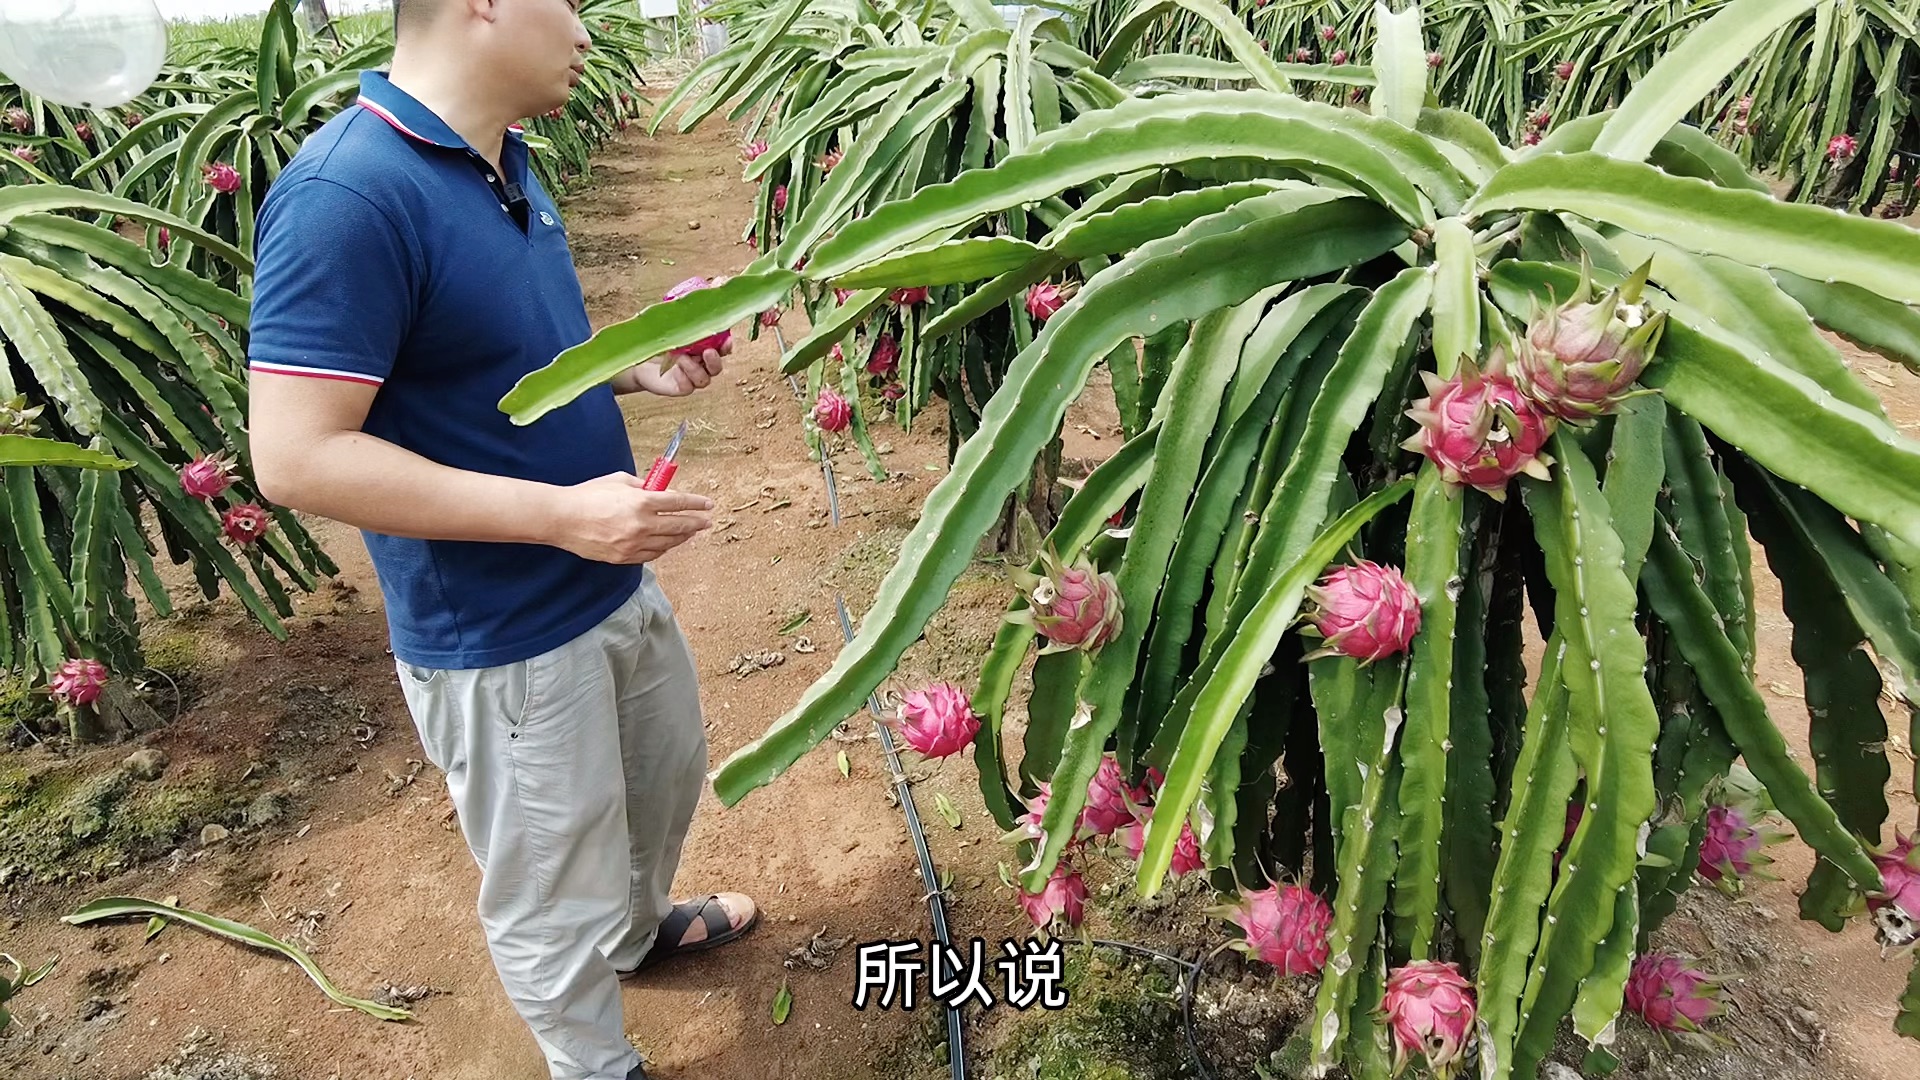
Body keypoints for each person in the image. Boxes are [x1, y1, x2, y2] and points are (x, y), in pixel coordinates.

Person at [244, 2, 757, 1078]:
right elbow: (295, 458)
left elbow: (509, 361)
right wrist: (561, 516)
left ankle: (634, 935)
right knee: (548, 881)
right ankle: (592, 1061)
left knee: (662, 785)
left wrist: (638, 366)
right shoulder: (345, 195)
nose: (584, 27)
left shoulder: (503, 159)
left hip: (607, 578)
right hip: (501, 634)